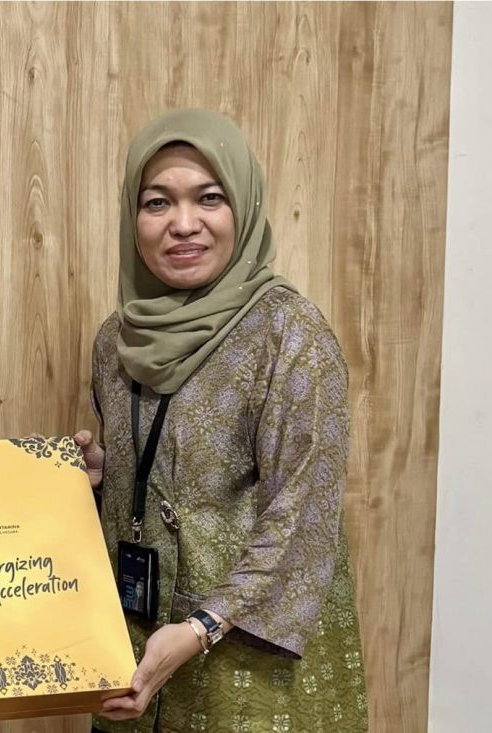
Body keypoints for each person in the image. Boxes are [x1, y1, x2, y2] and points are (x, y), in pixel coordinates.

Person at [74, 110, 368, 732]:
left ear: (243, 206)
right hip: (133, 645)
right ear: (134, 218)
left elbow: (302, 512)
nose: (183, 224)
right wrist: (97, 475)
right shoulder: (116, 341)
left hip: (246, 664)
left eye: (209, 198)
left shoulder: (290, 335)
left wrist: (204, 625)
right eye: (157, 203)